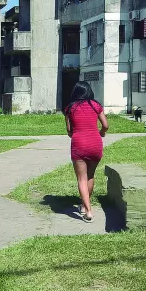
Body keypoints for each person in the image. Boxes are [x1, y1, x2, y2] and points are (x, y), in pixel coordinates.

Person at [63, 81, 108, 223]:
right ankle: (83, 205)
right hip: (95, 143)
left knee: (81, 178)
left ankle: (88, 211)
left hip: (79, 143)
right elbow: (106, 125)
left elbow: (69, 132)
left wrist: (76, 133)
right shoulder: (96, 105)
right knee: (90, 175)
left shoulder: (70, 108)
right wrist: (101, 132)